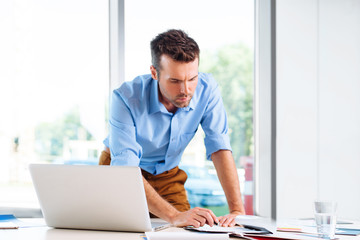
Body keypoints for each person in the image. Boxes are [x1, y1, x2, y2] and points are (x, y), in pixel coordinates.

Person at [99, 29, 245, 228]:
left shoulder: (207, 89)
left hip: (167, 175)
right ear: (154, 73)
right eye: (175, 81)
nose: (185, 90)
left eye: (192, 79)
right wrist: (173, 215)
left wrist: (237, 211)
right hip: (120, 170)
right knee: (119, 231)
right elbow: (125, 167)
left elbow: (219, 147)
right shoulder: (125, 97)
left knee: (189, 229)